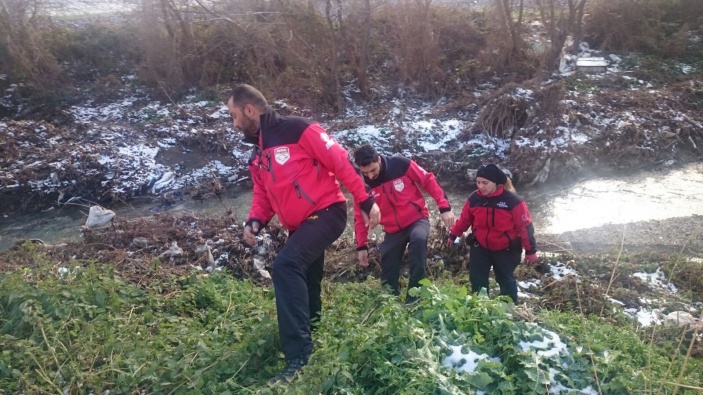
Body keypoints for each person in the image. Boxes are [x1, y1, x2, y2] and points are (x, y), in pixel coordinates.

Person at [227, 84, 381, 383]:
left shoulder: (298, 129)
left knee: (286, 265)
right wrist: (255, 221)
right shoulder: (258, 154)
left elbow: (340, 161)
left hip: (327, 212)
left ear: (249, 110)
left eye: (234, 115)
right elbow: (262, 194)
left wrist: (365, 199)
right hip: (300, 224)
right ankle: (314, 330)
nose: (233, 124)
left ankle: (299, 357)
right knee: (307, 278)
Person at [353, 144, 455, 302]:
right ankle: (390, 304)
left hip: (417, 219)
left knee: (418, 240)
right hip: (392, 230)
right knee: (388, 267)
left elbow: (427, 180)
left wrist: (444, 207)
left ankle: (415, 298)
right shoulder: (360, 183)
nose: (370, 176)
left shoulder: (401, 164)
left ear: (378, 159)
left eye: (373, 170)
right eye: (365, 172)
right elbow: (360, 217)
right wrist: (361, 245)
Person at [447, 163, 537, 303]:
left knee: (505, 279)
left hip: (506, 248)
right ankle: (480, 307)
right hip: (480, 246)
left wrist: (531, 251)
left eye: (485, 183)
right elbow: (464, 220)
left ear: (496, 183)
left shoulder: (512, 201)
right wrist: (453, 234)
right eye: (478, 182)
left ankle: (508, 309)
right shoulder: (474, 199)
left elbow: (525, 227)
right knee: (477, 279)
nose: (481, 186)